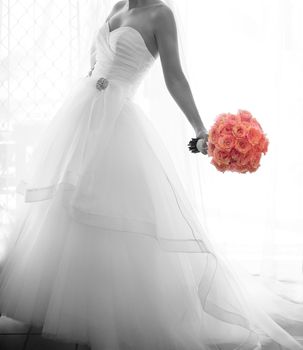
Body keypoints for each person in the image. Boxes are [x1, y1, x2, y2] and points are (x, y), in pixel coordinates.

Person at [0, 1, 303, 349]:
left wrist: (200, 129)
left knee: (112, 213)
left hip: (118, 122)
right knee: (61, 209)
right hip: (82, 115)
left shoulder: (161, 15)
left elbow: (174, 76)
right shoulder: (116, 6)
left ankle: (113, 312)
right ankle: (60, 303)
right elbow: (96, 65)